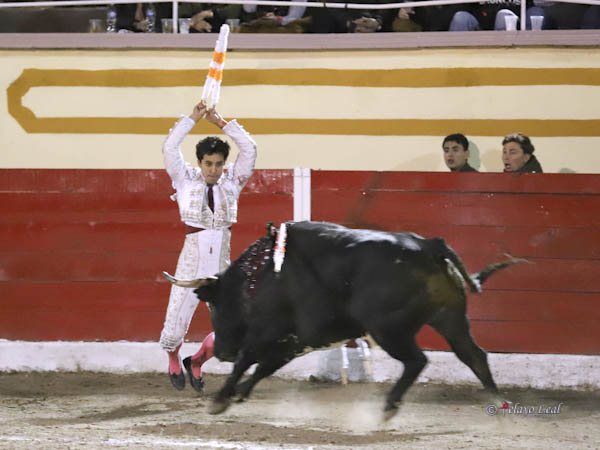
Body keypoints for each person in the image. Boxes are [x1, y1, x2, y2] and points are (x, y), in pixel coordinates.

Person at [159, 100, 257, 392]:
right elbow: (170, 147)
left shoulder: (233, 181)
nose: (213, 170)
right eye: (208, 163)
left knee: (232, 330)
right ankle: (174, 359)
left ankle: (196, 361)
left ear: (224, 164)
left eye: (218, 164)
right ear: (199, 162)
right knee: (174, 327)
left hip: (221, 270)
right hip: (190, 266)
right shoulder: (184, 179)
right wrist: (193, 118)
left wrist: (221, 122)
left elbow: (250, 148)